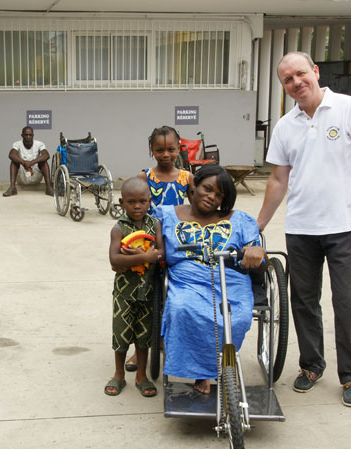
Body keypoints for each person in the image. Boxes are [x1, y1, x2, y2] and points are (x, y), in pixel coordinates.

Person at [257, 51, 351, 408]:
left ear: (315, 72)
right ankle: (311, 366)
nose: (296, 83)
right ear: (283, 86)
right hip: (301, 229)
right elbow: (279, 179)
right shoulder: (286, 125)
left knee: (348, 302)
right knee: (303, 301)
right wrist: (259, 225)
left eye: (301, 74)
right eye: (287, 80)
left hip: (345, 226)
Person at [155, 165, 265, 394]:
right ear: (194, 185)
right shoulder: (165, 215)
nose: (212, 197)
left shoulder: (241, 220)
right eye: (208, 189)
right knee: (182, 308)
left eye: (219, 195)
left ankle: (220, 368)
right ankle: (201, 373)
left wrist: (256, 250)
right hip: (188, 278)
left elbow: (255, 249)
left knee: (237, 318)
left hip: (230, 277)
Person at [124, 125, 194, 372]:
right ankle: (139, 350)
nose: (166, 154)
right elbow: (134, 208)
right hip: (150, 242)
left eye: (171, 149)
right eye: (160, 149)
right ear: (151, 150)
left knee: (172, 294)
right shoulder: (145, 177)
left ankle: (164, 341)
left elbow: (197, 209)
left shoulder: (186, 178)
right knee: (145, 296)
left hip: (177, 242)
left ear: (179, 148)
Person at [105, 178, 164, 397]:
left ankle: (141, 375)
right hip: (124, 294)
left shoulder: (155, 224)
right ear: (122, 203)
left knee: (144, 336)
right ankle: (119, 374)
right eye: (131, 202)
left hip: (148, 293)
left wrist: (147, 255)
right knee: (121, 335)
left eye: (142, 201)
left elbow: (162, 253)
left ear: (149, 201)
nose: (137, 206)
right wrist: (144, 256)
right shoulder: (119, 228)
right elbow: (113, 258)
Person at [3, 126, 53, 197]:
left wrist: (31, 163)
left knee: (43, 161)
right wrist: (24, 163)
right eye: (26, 135)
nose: (28, 137)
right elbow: (11, 155)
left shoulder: (39, 144)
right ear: (22, 135)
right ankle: (12, 188)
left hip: (35, 175)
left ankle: (49, 188)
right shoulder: (17, 144)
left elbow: (46, 155)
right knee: (14, 161)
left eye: (30, 135)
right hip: (22, 176)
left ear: (33, 135)